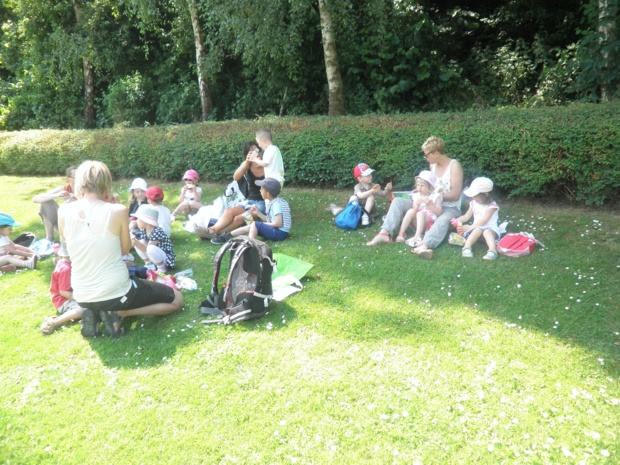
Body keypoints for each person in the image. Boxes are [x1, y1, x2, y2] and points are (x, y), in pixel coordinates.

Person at [58, 161, 183, 338]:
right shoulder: (117, 210)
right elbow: (125, 249)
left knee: (106, 292)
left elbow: (68, 250)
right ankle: (119, 313)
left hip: (81, 293)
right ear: (106, 182)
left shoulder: (64, 211)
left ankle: (95, 311)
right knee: (177, 300)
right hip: (117, 290)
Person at [367, 136, 463, 260]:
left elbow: (455, 195)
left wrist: (433, 196)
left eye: (427, 155)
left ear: (437, 153)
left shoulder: (454, 166)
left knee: (443, 219)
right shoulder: (433, 166)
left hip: (449, 206)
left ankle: (424, 245)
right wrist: (420, 191)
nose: (425, 158)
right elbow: (429, 185)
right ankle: (385, 233)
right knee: (398, 202)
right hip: (427, 201)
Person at [195, 141, 266, 240]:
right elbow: (236, 177)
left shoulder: (266, 164)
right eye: (251, 152)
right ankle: (212, 229)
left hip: (261, 205)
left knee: (239, 218)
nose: (255, 153)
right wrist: (247, 162)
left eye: (256, 150)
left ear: (261, 151)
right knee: (229, 210)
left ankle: (216, 233)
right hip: (249, 201)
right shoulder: (247, 165)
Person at [212, 178, 291, 244]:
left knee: (254, 224)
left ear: (267, 193)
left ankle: (249, 244)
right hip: (279, 232)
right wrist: (258, 213)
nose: (260, 190)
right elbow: (270, 220)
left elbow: (278, 223)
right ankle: (227, 236)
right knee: (252, 225)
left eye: (262, 189)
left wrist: (262, 224)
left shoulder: (276, 204)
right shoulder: (277, 202)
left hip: (279, 233)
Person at [40, 245, 85, 335]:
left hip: (71, 294)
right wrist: (81, 298)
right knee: (83, 309)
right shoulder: (66, 270)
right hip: (64, 300)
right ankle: (55, 321)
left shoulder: (64, 263)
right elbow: (64, 292)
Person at [455, 177, 500, 260]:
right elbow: (466, 216)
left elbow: (484, 221)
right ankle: (467, 247)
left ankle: (492, 250)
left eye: (475, 196)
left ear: (486, 195)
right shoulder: (473, 203)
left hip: (491, 229)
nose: (473, 199)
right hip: (477, 228)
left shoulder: (492, 206)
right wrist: (457, 220)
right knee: (478, 229)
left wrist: (469, 227)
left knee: (486, 231)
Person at [395, 170, 443, 246]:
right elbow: (415, 210)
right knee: (411, 211)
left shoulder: (435, 196)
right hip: (417, 223)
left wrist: (429, 204)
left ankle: (417, 236)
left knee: (420, 213)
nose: (419, 188)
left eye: (422, 185)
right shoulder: (417, 195)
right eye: (418, 185)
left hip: (429, 223)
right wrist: (417, 204)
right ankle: (401, 233)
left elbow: (439, 212)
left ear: (430, 186)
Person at [32, 166, 77, 241]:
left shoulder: (87, 190)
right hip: (63, 223)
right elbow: (35, 199)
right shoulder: (64, 189)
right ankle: (50, 238)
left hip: (78, 225)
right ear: (68, 179)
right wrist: (56, 195)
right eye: (76, 177)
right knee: (46, 202)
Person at [131, 205, 176, 273]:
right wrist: (136, 242)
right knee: (138, 243)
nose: (136, 221)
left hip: (165, 257)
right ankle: (149, 264)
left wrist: (136, 243)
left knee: (150, 248)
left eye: (138, 219)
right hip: (154, 256)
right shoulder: (144, 230)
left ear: (146, 221)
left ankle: (162, 267)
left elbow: (146, 248)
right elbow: (143, 245)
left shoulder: (157, 231)